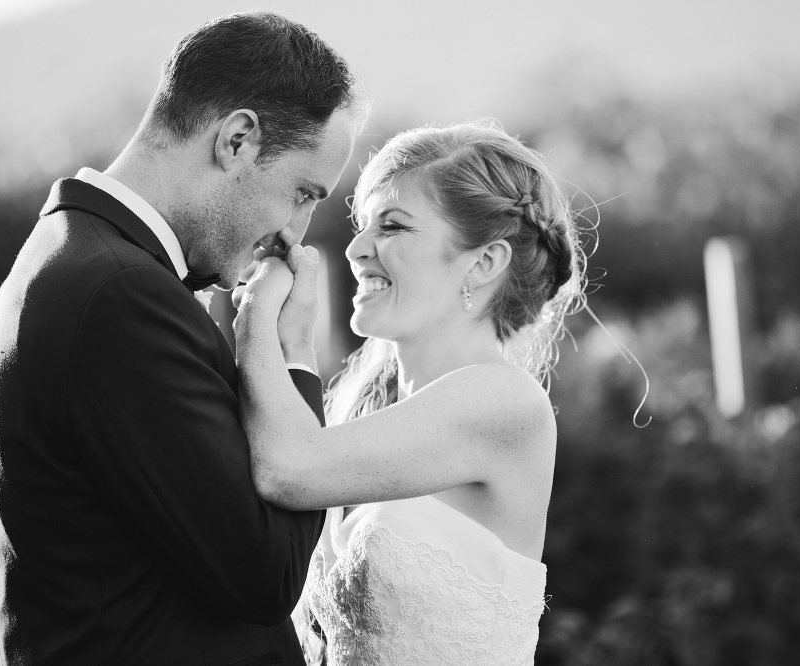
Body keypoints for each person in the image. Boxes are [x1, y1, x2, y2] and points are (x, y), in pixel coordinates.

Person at [0, 12, 366, 665]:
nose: (296, 230)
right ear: (236, 140)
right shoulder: (120, 296)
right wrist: (293, 356)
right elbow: (262, 576)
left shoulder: (67, 260)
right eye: (301, 192)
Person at [233, 120, 586, 665]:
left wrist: (258, 315)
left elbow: (289, 469)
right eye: (363, 225)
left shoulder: (503, 402)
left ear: (484, 262)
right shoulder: (363, 409)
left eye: (392, 227)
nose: (354, 248)